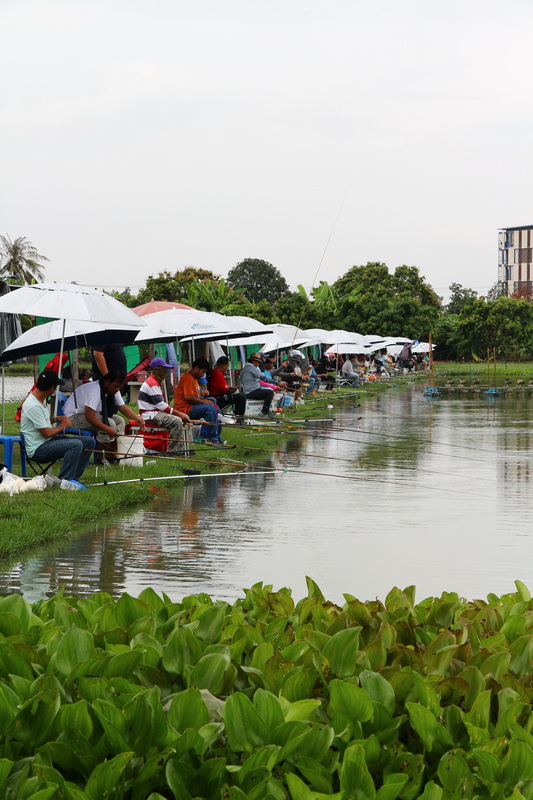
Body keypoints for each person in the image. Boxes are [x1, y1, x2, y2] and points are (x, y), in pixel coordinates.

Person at [20, 369, 96, 490]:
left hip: (47, 442)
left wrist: (56, 419)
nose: (55, 390)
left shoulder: (40, 399)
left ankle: (74, 478)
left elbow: (41, 422)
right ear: (50, 388)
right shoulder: (32, 405)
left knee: (89, 441)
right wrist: (63, 426)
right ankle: (64, 482)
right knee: (75, 444)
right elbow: (46, 433)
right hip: (38, 449)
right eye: (55, 387)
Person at [63, 369, 145, 460]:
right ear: (107, 382)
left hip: (88, 415)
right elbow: (89, 416)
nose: (117, 389)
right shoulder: (94, 390)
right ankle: (100, 457)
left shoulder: (113, 390)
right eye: (116, 386)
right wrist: (108, 429)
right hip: (71, 418)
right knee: (109, 423)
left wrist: (137, 419)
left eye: (120, 387)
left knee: (120, 421)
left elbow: (122, 407)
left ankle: (114, 455)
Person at [138, 357, 190, 454]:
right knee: (177, 421)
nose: (166, 372)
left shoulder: (154, 382)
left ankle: (185, 448)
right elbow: (161, 405)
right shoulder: (152, 383)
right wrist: (178, 414)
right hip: (150, 415)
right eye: (164, 369)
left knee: (183, 418)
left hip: (155, 413)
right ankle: (174, 451)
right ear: (156, 370)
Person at [174, 358, 223, 445]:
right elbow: (188, 397)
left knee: (213, 401)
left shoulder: (195, 378)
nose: (203, 374)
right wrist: (204, 402)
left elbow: (195, 395)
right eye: (203, 372)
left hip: (191, 406)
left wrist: (205, 399)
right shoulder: (187, 378)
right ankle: (211, 437)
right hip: (184, 409)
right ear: (196, 368)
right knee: (210, 408)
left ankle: (214, 434)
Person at [239, 353, 278, 417]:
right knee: (270, 393)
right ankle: (264, 412)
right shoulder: (251, 368)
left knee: (269, 391)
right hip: (251, 391)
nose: (258, 364)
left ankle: (271, 410)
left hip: (248, 390)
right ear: (254, 361)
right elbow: (264, 379)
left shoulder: (246, 367)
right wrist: (276, 383)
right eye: (258, 362)